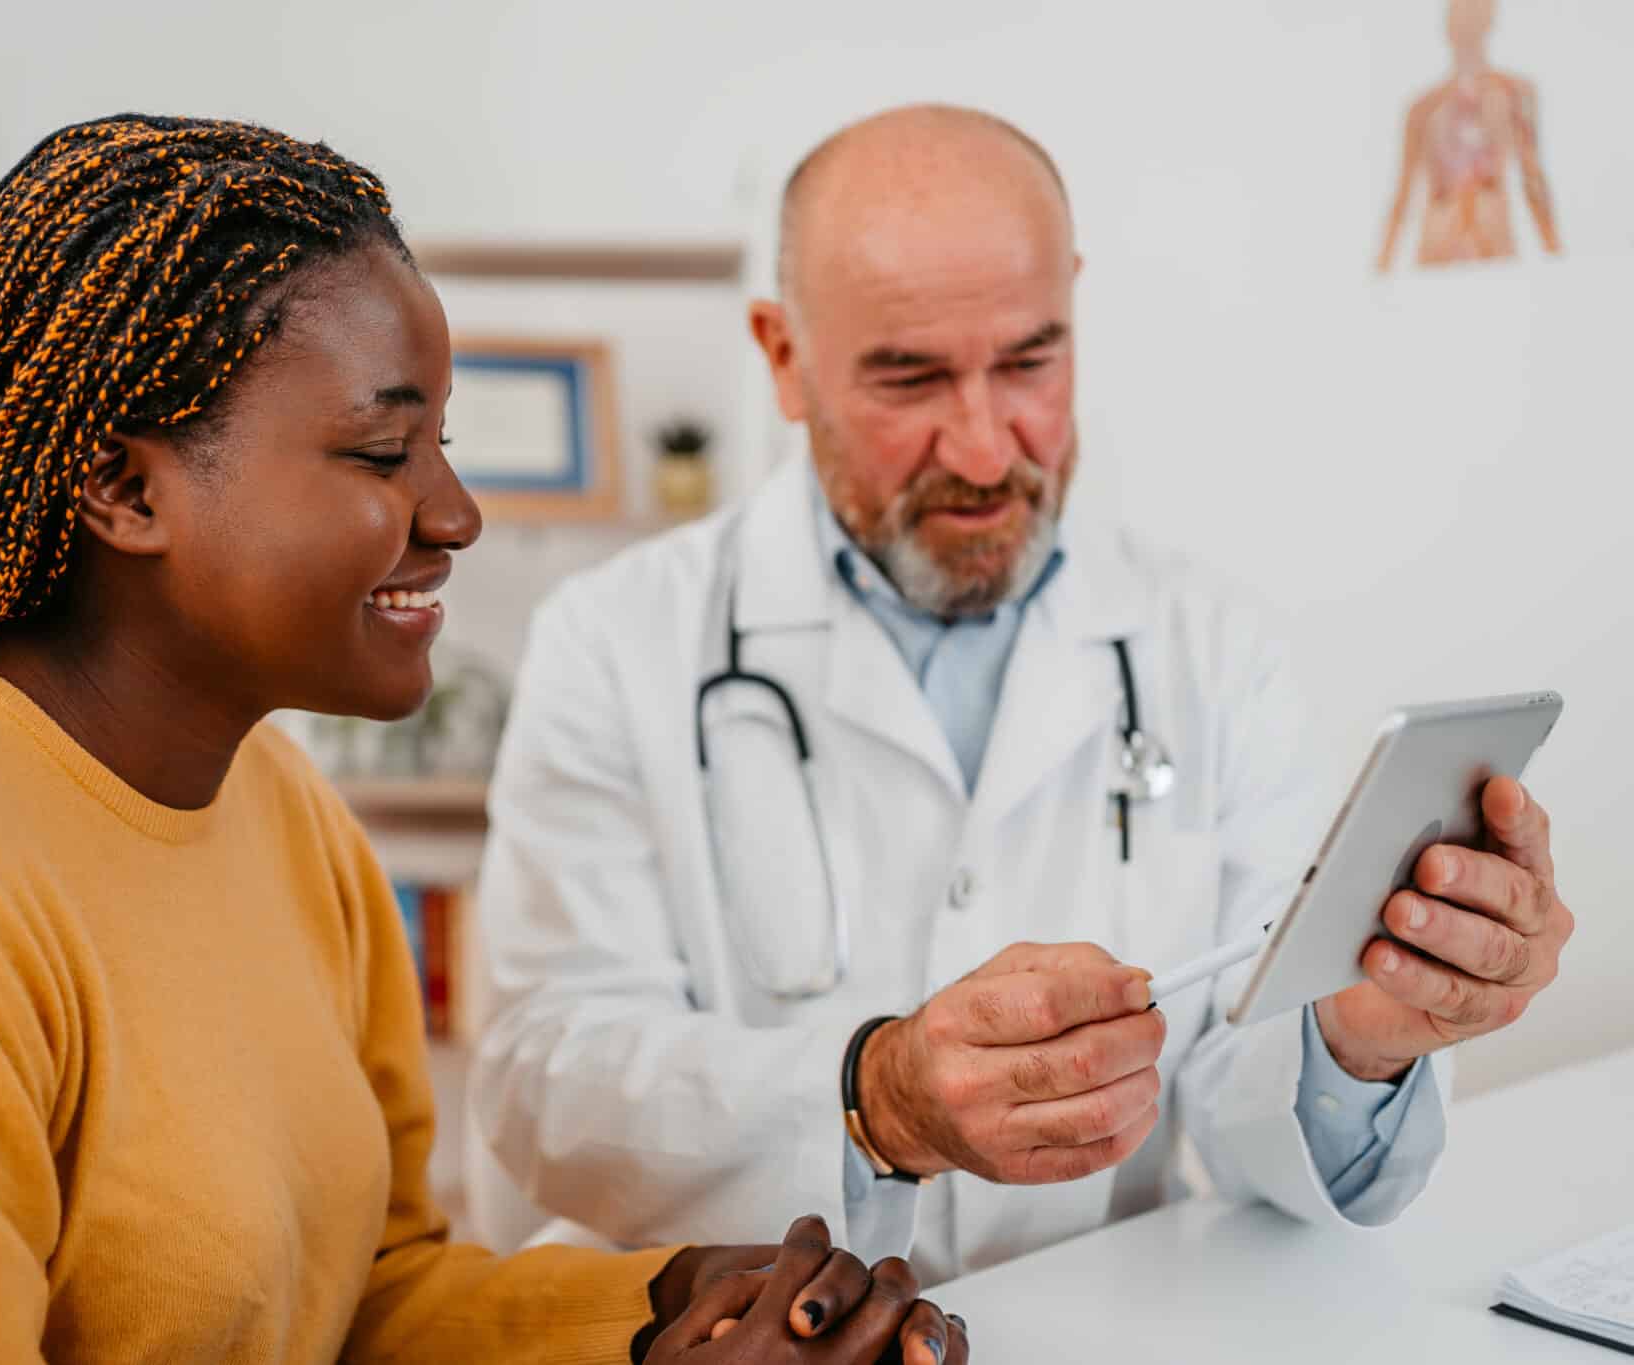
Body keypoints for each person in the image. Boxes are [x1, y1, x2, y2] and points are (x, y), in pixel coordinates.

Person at [0, 114, 957, 1365]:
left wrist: (653, 1320)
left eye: (443, 446)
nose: (456, 514)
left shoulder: (279, 811)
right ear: (123, 486)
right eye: (382, 455)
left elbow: (360, 1302)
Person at [467, 104, 1574, 1282]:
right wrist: (876, 1101)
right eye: (908, 377)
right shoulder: (612, 641)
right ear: (783, 356)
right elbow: (543, 1075)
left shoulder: (1208, 645)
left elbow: (1244, 1082)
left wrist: (1360, 1041)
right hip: (760, 1334)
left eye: (1028, 363)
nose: (985, 451)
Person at [1377, 0, 1560, 271]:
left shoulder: (1514, 93)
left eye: (1473, 11)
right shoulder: (1423, 107)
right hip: (1437, 255)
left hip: (1494, 252)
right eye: (1458, 12)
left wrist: (1555, 254)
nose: (1465, 23)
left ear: (1489, 19)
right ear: (1447, 24)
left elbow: (1533, 180)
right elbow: (1403, 194)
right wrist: (1381, 267)